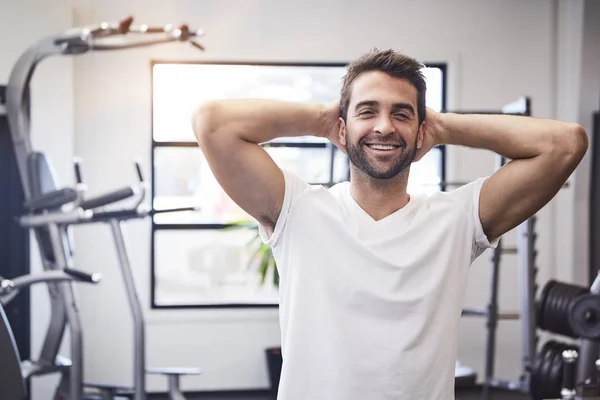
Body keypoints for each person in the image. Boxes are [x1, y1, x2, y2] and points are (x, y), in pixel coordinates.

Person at [191, 49, 588, 400]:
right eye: (368, 111)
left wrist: (445, 127)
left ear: (420, 133)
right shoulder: (297, 209)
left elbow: (565, 143)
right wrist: (324, 120)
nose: (384, 126)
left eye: (402, 114)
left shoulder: (457, 218)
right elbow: (212, 123)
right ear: (343, 128)